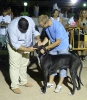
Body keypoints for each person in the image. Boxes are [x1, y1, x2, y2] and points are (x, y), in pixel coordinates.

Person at [6, 16, 40, 94]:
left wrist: (38, 39)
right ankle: (15, 86)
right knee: (15, 65)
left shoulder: (30, 21)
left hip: (27, 44)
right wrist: (29, 50)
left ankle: (23, 81)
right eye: (22, 30)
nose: (24, 32)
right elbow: (16, 45)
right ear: (18, 26)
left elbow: (35, 31)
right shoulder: (12, 28)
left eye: (26, 30)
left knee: (24, 63)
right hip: (14, 46)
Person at [38, 15, 69, 93]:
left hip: (62, 46)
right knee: (51, 64)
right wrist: (42, 44)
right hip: (53, 45)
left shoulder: (57, 26)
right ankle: (50, 82)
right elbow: (47, 37)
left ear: (47, 22)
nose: (42, 27)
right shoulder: (46, 27)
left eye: (42, 25)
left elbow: (58, 42)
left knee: (62, 65)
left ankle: (60, 84)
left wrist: (45, 48)